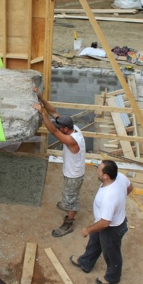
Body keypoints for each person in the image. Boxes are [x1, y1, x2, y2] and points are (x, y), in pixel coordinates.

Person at [32, 88, 86, 237]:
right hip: (71, 172)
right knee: (68, 195)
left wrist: (42, 113)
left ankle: (69, 223)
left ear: (66, 129)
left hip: (74, 175)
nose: (58, 128)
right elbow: (54, 112)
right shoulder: (72, 128)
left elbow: (54, 132)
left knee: (72, 198)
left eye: (60, 127)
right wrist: (41, 98)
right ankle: (66, 204)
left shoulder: (72, 140)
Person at [69, 160, 133, 284]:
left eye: (99, 170)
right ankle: (85, 262)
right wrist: (120, 200)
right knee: (94, 242)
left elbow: (105, 223)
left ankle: (112, 277)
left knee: (111, 252)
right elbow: (130, 188)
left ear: (106, 176)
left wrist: (87, 229)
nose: (97, 171)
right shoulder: (120, 177)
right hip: (103, 222)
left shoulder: (109, 197)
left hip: (111, 228)